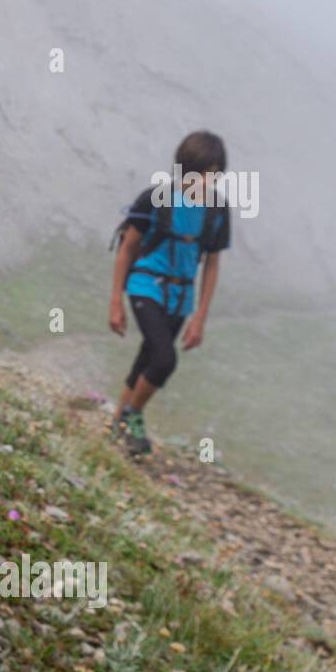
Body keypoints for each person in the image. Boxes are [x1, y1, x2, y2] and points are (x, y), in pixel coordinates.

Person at [108, 131, 231, 454]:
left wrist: (200, 318)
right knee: (164, 359)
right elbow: (127, 248)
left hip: (181, 298)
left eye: (214, 173)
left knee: (146, 360)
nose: (207, 180)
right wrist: (115, 302)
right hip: (145, 285)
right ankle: (132, 417)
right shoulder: (155, 198)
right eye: (202, 172)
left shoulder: (217, 210)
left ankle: (116, 425)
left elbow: (212, 264)